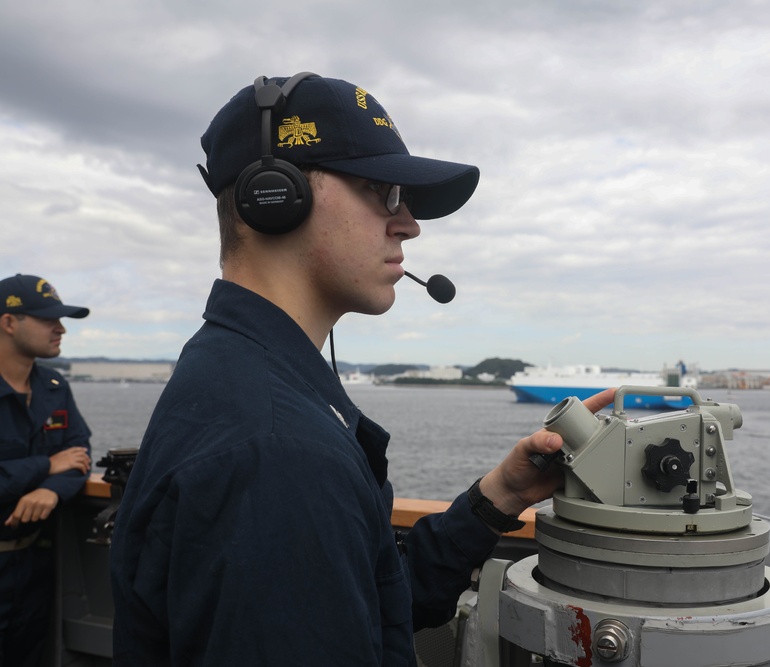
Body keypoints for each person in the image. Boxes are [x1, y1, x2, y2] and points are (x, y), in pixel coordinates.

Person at [109, 73, 613, 665]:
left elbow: (373, 603)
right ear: (274, 195)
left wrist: (500, 495)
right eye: (383, 190)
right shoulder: (277, 451)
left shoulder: (240, 377)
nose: (409, 224)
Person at [0, 273, 92, 666]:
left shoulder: (54, 386)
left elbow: (80, 454)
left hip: (34, 571)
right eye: (47, 319)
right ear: (8, 322)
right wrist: (45, 464)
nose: (61, 329)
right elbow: (61, 458)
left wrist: (51, 489)